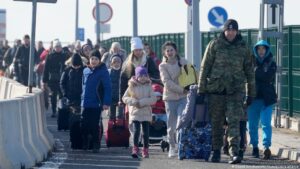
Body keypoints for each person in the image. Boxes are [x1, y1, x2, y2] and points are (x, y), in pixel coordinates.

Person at [198, 19, 255, 164]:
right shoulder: (214, 45)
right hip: (216, 90)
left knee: (234, 122)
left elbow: (249, 72)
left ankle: (234, 152)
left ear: (237, 31)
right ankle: (216, 151)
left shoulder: (243, 48)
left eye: (233, 30)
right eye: (228, 30)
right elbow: (205, 67)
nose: (230, 33)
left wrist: (250, 93)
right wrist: (201, 89)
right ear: (224, 31)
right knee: (216, 123)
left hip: (236, 91)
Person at [247, 40, 277, 160]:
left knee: (266, 124)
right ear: (255, 50)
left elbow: (267, 76)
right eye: (258, 49)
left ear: (267, 50)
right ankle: (255, 146)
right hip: (253, 98)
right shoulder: (250, 62)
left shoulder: (271, 63)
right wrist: (258, 74)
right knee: (252, 125)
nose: (261, 51)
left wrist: (256, 74)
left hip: (267, 99)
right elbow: (249, 76)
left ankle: (266, 147)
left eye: (263, 49)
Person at [159, 41, 188, 158]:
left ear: (176, 51)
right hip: (170, 98)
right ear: (165, 53)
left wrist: (189, 87)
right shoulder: (162, 66)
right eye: (167, 50)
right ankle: (172, 146)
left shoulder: (183, 61)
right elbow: (167, 82)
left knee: (182, 121)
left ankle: (182, 145)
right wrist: (182, 89)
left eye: (171, 50)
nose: (170, 52)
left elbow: (192, 74)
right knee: (171, 125)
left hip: (183, 98)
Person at [122, 66, 156, 158]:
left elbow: (153, 99)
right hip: (135, 112)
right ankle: (135, 148)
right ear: (137, 76)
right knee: (136, 131)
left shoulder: (149, 86)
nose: (143, 78)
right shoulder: (131, 86)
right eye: (140, 76)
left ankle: (145, 149)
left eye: (145, 75)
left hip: (145, 112)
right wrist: (133, 101)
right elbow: (124, 98)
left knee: (146, 132)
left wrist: (143, 102)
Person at [81, 49, 111, 153]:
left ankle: (96, 144)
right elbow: (83, 87)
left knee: (94, 125)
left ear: (99, 60)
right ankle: (85, 143)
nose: (93, 61)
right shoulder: (86, 71)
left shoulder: (103, 71)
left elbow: (108, 87)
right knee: (84, 124)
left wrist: (106, 102)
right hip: (85, 103)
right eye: (92, 58)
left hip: (96, 103)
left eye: (96, 59)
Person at [43, 39, 67, 117]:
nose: (58, 48)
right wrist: (44, 80)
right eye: (56, 46)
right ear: (54, 47)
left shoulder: (65, 55)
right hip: (52, 79)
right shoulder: (49, 56)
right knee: (53, 96)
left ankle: (61, 110)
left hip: (63, 79)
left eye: (59, 46)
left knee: (62, 96)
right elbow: (46, 69)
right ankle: (54, 111)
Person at [108, 54, 123, 120]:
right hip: (111, 95)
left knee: (120, 114)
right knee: (112, 114)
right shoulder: (109, 72)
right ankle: (111, 125)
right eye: (114, 62)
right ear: (111, 63)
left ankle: (120, 125)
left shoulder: (123, 72)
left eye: (118, 62)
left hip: (120, 96)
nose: (116, 64)